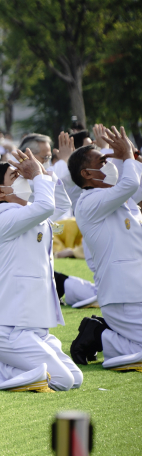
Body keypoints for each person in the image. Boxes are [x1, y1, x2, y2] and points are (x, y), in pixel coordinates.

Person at [0, 151, 83, 392]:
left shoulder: (29, 213)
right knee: (62, 381)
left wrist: (43, 174)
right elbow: (46, 205)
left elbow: (61, 205)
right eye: (16, 176)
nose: (24, 177)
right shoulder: (0, 217)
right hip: (8, 329)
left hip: (34, 326)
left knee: (75, 378)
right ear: (0, 191)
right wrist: (37, 176)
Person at [68, 127, 142, 372]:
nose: (110, 165)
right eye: (103, 161)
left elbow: (135, 185)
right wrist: (126, 156)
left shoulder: (116, 197)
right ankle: (99, 334)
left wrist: (131, 158)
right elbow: (130, 183)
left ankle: (104, 333)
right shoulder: (89, 202)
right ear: (87, 173)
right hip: (122, 294)